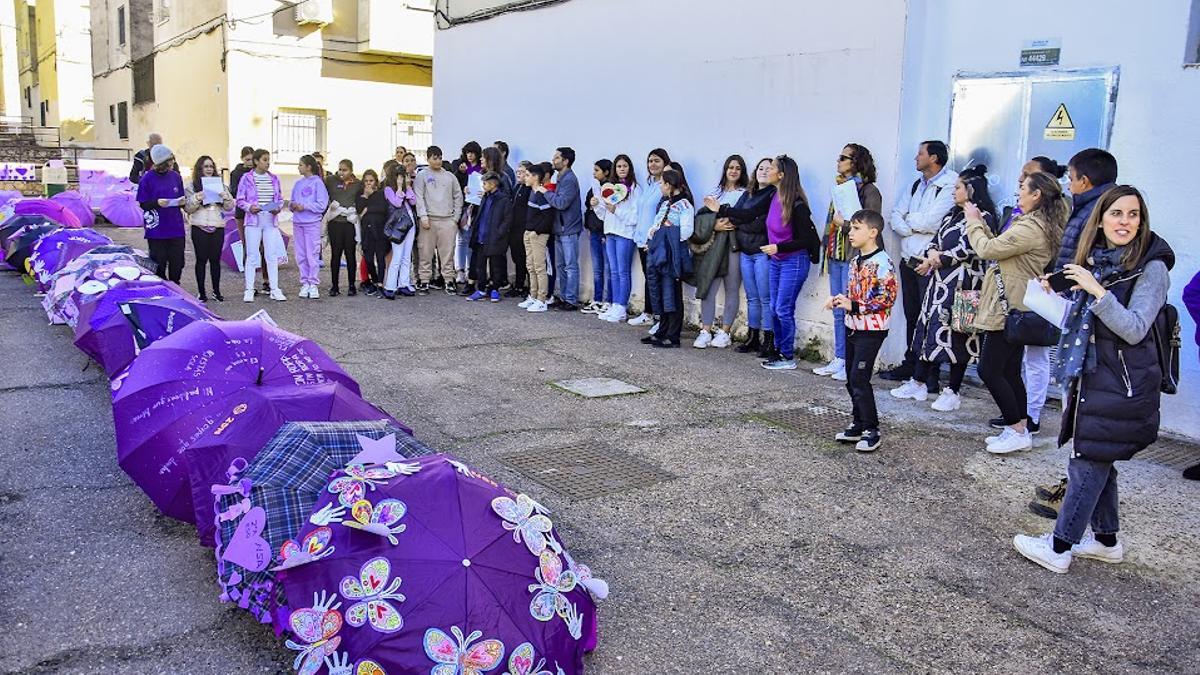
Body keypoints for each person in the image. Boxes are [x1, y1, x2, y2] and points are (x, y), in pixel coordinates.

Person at [1013, 185, 1174, 573]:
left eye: (1133, 215)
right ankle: (1106, 541)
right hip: (1093, 376)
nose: (1125, 222)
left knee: (1087, 459)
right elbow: (1086, 311)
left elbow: (1134, 328)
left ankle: (1058, 547)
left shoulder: (1151, 269)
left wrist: (1095, 289)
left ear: (1142, 221)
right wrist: (1060, 285)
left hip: (1122, 381)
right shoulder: (1103, 260)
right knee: (1098, 456)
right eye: (1116, 213)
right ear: (1100, 219)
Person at [965, 171, 1068, 453]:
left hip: (1009, 307)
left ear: (1036, 195)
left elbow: (986, 250)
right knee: (1009, 370)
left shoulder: (1031, 228)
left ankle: (1017, 429)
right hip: (1015, 306)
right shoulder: (1035, 224)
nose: (1018, 191)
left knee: (989, 369)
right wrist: (983, 224)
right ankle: (1020, 427)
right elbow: (1000, 249)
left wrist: (973, 223)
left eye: (1023, 187)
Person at [890, 165, 995, 410]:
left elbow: (971, 247)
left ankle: (952, 390)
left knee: (958, 335)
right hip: (939, 284)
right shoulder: (951, 215)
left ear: (970, 190)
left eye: (958, 187)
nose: (954, 191)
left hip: (963, 286)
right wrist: (931, 255)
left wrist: (941, 258)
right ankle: (918, 381)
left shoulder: (983, 217)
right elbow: (935, 241)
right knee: (928, 330)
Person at [716, 155, 820, 370]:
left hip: (794, 260)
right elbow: (750, 213)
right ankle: (777, 351)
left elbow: (807, 239)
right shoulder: (772, 196)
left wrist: (779, 248)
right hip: (777, 260)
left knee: (783, 308)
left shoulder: (797, 204)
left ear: (781, 175)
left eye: (771, 167)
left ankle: (787, 356)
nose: (767, 170)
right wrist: (722, 209)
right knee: (773, 306)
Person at [999, 156, 1069, 434]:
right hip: (1024, 291)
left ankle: (1032, 415)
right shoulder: (1023, 212)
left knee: (1037, 357)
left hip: (1043, 289)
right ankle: (1021, 413)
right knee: (1020, 359)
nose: (1019, 180)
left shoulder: (1056, 212)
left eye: (1026, 176)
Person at [882, 140, 958, 381]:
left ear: (934, 158)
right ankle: (911, 363)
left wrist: (910, 222)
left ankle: (929, 372)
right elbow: (895, 215)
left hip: (930, 260)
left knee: (931, 317)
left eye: (920, 153)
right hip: (909, 259)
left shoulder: (949, 184)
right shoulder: (916, 185)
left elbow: (933, 222)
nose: (916, 157)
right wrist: (911, 226)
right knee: (911, 313)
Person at [828, 210, 897, 453]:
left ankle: (872, 429)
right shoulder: (855, 261)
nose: (850, 233)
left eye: (857, 229)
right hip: (853, 327)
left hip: (872, 330)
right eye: (851, 228)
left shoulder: (882, 263)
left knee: (860, 378)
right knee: (851, 377)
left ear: (873, 232)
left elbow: (885, 300)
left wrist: (853, 305)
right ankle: (858, 423)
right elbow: (855, 295)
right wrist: (840, 300)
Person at [814, 143, 883, 380]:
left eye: (843, 158)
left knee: (851, 310)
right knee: (837, 309)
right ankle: (840, 358)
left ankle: (850, 362)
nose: (838, 161)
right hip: (836, 254)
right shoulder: (840, 188)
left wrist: (843, 224)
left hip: (855, 259)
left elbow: (871, 226)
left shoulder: (869, 191)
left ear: (856, 162)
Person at [718, 158, 775, 357]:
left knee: (765, 298)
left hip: (762, 253)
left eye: (769, 169)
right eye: (760, 168)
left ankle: (768, 340)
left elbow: (762, 224)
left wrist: (743, 221)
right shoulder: (748, 193)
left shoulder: (773, 195)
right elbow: (736, 216)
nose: (764, 171)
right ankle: (753, 337)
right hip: (745, 252)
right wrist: (745, 219)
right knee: (752, 298)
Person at [694, 155, 749, 349]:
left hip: (733, 246)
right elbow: (702, 217)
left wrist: (726, 217)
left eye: (738, 168)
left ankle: (725, 332)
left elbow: (741, 219)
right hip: (714, 245)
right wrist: (714, 224)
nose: (733, 171)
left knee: (731, 288)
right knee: (709, 286)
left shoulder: (745, 194)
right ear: (725, 170)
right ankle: (705, 330)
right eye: (730, 167)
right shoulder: (714, 193)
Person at [640, 169, 694, 348]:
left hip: (672, 253)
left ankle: (673, 335)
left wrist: (667, 233)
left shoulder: (684, 205)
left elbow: (686, 231)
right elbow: (655, 225)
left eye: (662, 183)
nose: (660, 186)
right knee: (659, 290)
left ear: (669, 185)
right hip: (658, 251)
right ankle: (661, 330)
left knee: (672, 292)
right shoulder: (664, 204)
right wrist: (652, 238)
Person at [235, 149, 287, 302]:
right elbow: (239, 199)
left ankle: (274, 288)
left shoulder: (274, 179)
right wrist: (250, 207)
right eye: (264, 160)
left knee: (271, 255)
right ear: (256, 161)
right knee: (252, 255)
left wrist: (277, 207)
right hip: (253, 221)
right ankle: (249, 289)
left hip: (270, 221)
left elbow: (279, 198)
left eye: (268, 160)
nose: (267, 163)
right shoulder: (246, 178)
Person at [535, 146, 583, 311]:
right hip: (559, 228)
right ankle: (563, 297)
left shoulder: (569, 179)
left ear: (566, 161)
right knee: (561, 266)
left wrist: (545, 192)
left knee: (570, 266)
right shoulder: (562, 178)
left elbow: (561, 203)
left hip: (568, 229)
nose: (553, 160)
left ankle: (571, 299)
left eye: (557, 158)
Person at [629, 148, 671, 327]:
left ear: (665, 164)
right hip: (641, 239)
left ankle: (659, 317)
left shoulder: (665, 186)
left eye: (656, 161)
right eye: (650, 161)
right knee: (649, 278)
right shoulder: (649, 185)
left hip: (654, 241)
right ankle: (648, 312)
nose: (652, 164)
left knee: (657, 279)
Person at [183, 155, 234, 302]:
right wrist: (197, 198)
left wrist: (226, 197)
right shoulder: (191, 187)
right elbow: (188, 208)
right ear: (200, 169)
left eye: (211, 166)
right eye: (206, 166)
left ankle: (216, 291)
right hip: (199, 227)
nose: (209, 169)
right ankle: (201, 292)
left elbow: (229, 207)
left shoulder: (222, 186)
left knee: (215, 261)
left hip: (217, 226)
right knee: (201, 260)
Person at [414, 146, 464, 295]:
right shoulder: (422, 175)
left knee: (448, 253)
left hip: (447, 220)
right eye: (434, 158)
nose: (438, 161)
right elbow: (419, 196)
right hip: (428, 220)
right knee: (425, 252)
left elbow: (458, 196)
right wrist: (423, 216)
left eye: (440, 157)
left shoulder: (450, 176)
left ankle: (449, 280)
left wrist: (455, 218)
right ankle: (424, 281)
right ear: (428, 158)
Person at [597, 154, 641, 323]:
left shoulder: (635, 189)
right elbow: (605, 214)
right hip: (610, 232)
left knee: (623, 272)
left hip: (625, 234)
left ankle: (622, 306)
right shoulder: (611, 188)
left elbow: (634, 217)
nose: (622, 169)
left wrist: (617, 210)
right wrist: (597, 206)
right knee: (613, 271)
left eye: (625, 166)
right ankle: (615, 304)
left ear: (630, 168)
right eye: (619, 166)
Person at [135, 144, 187, 283]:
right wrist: (157, 202)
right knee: (159, 264)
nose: (173, 162)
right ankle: (161, 290)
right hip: (157, 229)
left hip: (175, 227)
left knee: (177, 263)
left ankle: (176, 287)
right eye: (170, 160)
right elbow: (143, 203)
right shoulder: (147, 179)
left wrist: (182, 201)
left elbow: (181, 197)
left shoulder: (175, 177)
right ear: (162, 162)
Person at [467, 172, 512, 302]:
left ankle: (494, 289)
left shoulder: (503, 199)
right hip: (481, 236)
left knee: (495, 265)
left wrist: (499, 233)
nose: (483, 186)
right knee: (480, 265)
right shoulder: (485, 197)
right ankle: (480, 289)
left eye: (485, 183)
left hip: (495, 238)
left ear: (493, 184)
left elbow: (507, 218)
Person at [289, 154, 329, 299]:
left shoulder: (317, 183)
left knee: (312, 254)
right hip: (298, 223)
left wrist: (304, 206)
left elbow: (322, 204)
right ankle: (304, 282)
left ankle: (313, 283)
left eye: (300, 165)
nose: (298, 167)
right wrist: (293, 205)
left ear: (308, 167)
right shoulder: (298, 183)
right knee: (301, 254)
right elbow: (292, 201)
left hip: (312, 223)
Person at [520, 162, 555, 313]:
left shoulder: (541, 194)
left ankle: (542, 299)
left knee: (540, 267)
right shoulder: (532, 192)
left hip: (538, 235)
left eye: (527, 175)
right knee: (530, 266)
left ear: (535, 177)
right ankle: (533, 295)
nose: (525, 178)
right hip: (529, 233)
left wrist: (536, 231)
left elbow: (548, 217)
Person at [381, 162, 419, 300]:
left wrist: (407, 186)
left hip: (410, 223)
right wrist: (398, 188)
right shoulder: (388, 189)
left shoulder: (406, 187)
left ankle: (404, 283)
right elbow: (397, 203)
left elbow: (413, 201)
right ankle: (390, 286)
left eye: (403, 176)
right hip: (398, 226)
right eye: (399, 176)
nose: (402, 179)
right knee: (397, 256)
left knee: (406, 256)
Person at [324, 159, 362, 297]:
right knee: (336, 254)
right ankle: (334, 286)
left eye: (345, 170)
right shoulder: (331, 180)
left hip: (349, 224)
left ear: (351, 170)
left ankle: (352, 285)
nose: (341, 172)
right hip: (335, 223)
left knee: (350, 254)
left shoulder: (358, 184)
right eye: (340, 169)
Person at [582, 159, 613, 315]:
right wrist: (588, 226)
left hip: (605, 232)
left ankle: (608, 300)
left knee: (608, 268)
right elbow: (588, 209)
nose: (594, 174)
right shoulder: (593, 188)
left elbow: (610, 212)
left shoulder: (612, 189)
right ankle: (597, 299)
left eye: (597, 171)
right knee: (597, 268)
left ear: (606, 172)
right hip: (593, 232)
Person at [454, 141, 484, 287]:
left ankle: (469, 270)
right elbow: (455, 185)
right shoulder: (461, 167)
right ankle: (459, 270)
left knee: (473, 241)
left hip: (477, 207)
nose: (470, 155)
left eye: (472, 152)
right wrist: (461, 176)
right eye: (467, 152)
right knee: (462, 239)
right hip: (465, 207)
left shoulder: (482, 168)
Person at [357, 169, 389, 297]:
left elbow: (383, 209)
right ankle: (374, 279)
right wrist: (366, 198)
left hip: (379, 231)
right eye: (366, 181)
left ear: (376, 181)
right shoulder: (361, 195)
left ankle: (380, 283)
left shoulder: (381, 194)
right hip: (367, 231)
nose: (369, 184)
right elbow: (359, 210)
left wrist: (368, 208)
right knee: (368, 258)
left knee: (380, 258)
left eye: (371, 181)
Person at [505, 161, 533, 299]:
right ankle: (518, 285)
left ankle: (528, 286)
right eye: (518, 172)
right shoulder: (517, 188)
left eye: (522, 172)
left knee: (525, 259)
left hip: (524, 228)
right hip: (514, 228)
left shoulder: (529, 190)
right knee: (517, 258)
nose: (519, 175)